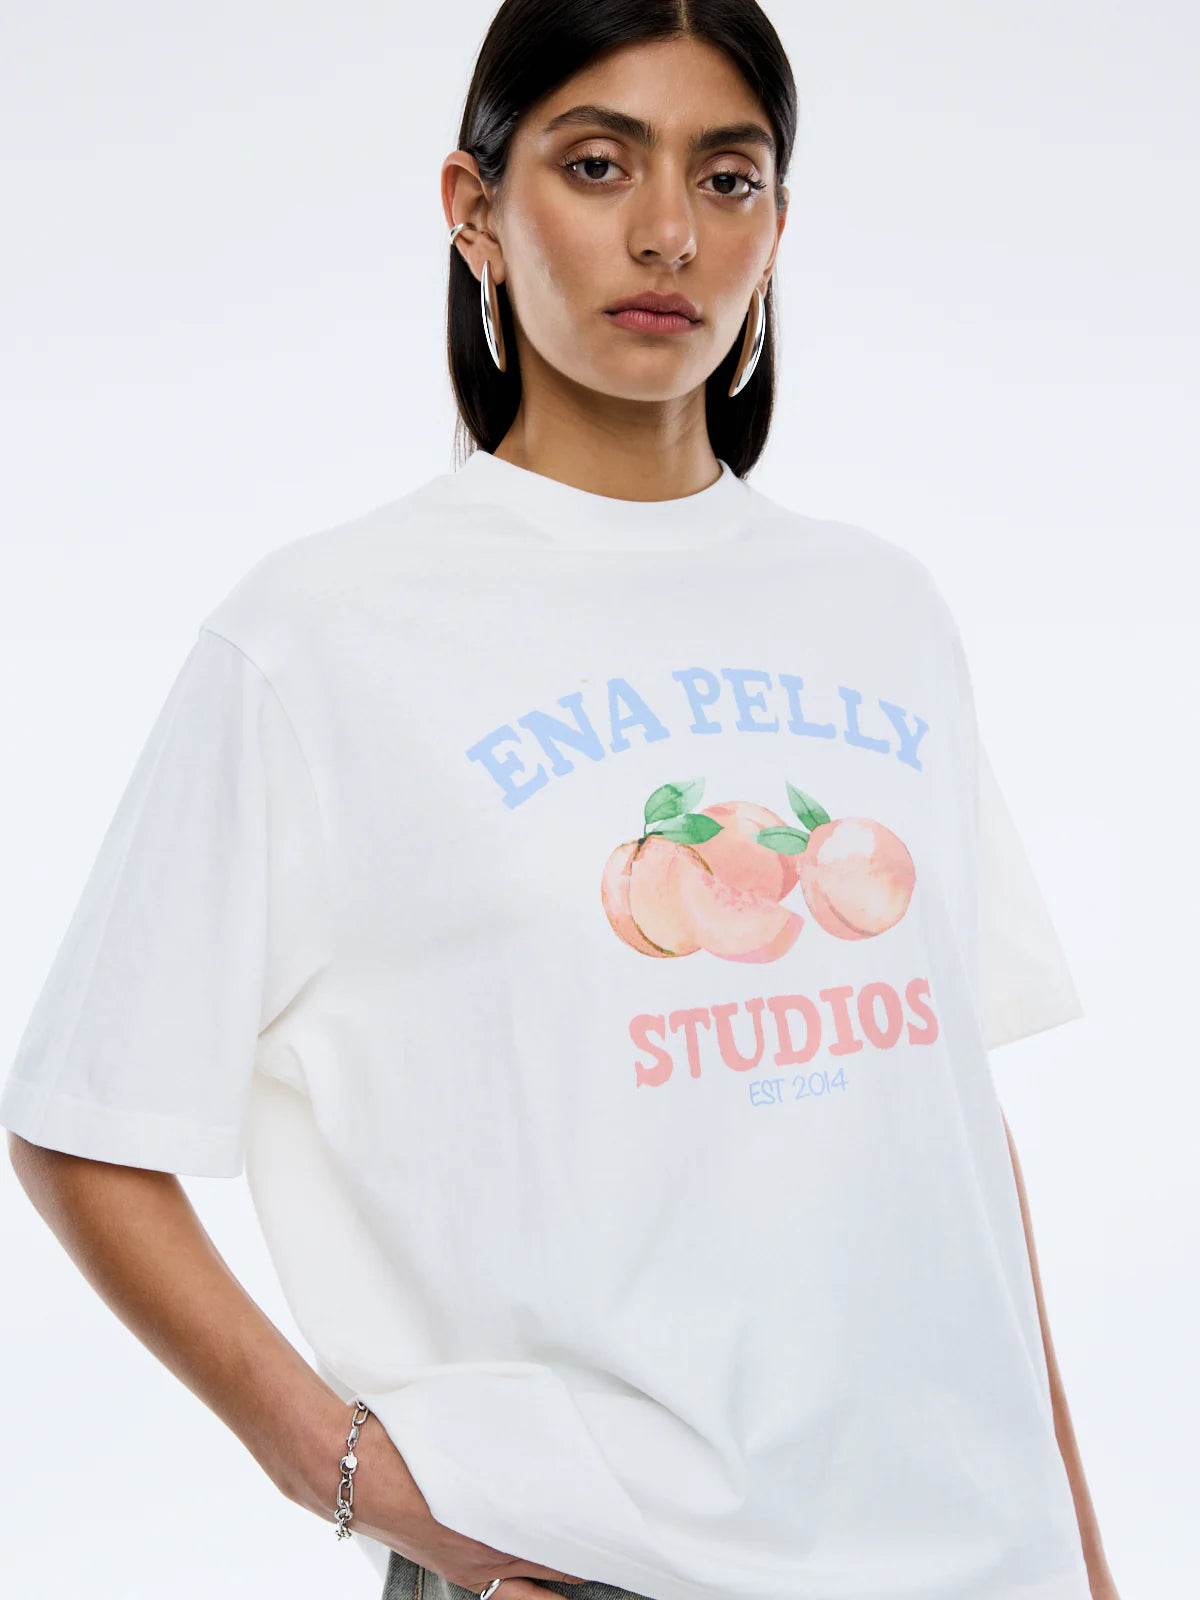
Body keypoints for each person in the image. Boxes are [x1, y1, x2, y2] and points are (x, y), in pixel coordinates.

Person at [1, 3, 1120, 1599]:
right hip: (585, 1564)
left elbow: (944, 1134)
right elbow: (83, 1127)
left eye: (727, 179)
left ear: (778, 225)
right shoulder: (324, 635)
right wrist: (359, 1481)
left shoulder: (883, 609)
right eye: (599, 165)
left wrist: (1079, 1553)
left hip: (974, 1563)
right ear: (474, 210)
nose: (670, 233)